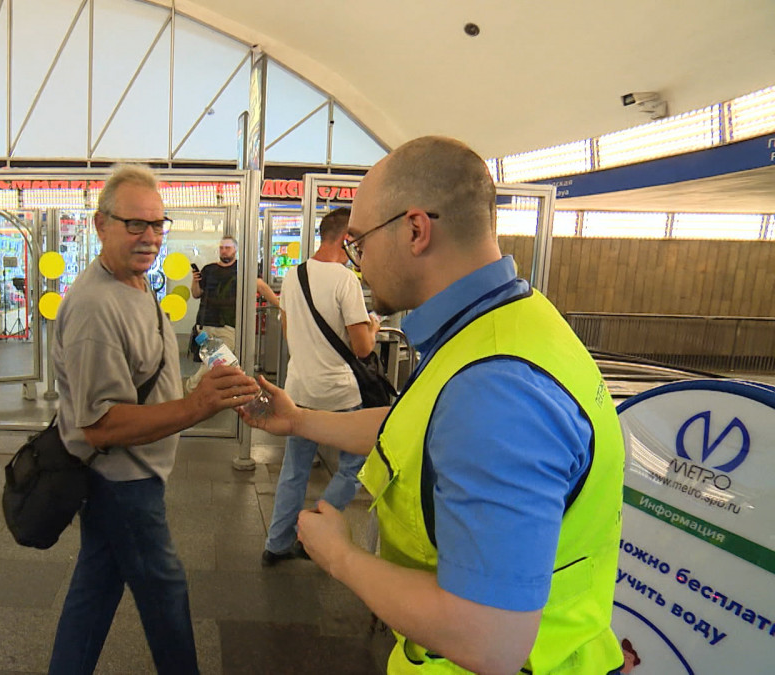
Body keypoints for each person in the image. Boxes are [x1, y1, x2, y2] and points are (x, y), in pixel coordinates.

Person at [241, 136, 625, 674]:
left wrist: (341, 557)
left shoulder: (496, 389)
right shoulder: (508, 324)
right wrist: (302, 420)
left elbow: (489, 640)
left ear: (416, 230)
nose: (358, 263)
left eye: (361, 243)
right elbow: (422, 425)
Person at [49, 164, 260, 675]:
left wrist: (202, 388)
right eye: (134, 225)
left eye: (157, 224)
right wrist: (196, 406)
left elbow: (150, 374)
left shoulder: (136, 285)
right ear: (101, 225)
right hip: (121, 480)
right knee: (164, 591)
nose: (150, 237)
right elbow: (99, 425)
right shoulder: (97, 308)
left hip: (131, 476)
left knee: (95, 589)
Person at [261, 207, 379, 566]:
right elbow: (362, 348)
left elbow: (287, 330)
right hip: (341, 394)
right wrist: (372, 324)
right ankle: (313, 526)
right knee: (353, 467)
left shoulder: (293, 275)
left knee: (294, 470)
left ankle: (277, 543)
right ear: (346, 240)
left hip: (300, 391)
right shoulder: (346, 281)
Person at [186, 236, 278, 391]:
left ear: (235, 250)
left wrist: (280, 305)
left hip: (228, 324)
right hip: (205, 323)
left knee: (219, 359)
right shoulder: (208, 269)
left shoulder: (242, 270)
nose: (224, 250)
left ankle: (193, 386)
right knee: (213, 361)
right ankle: (204, 390)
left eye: (227, 247)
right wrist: (195, 281)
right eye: (221, 247)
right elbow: (196, 294)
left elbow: (261, 286)